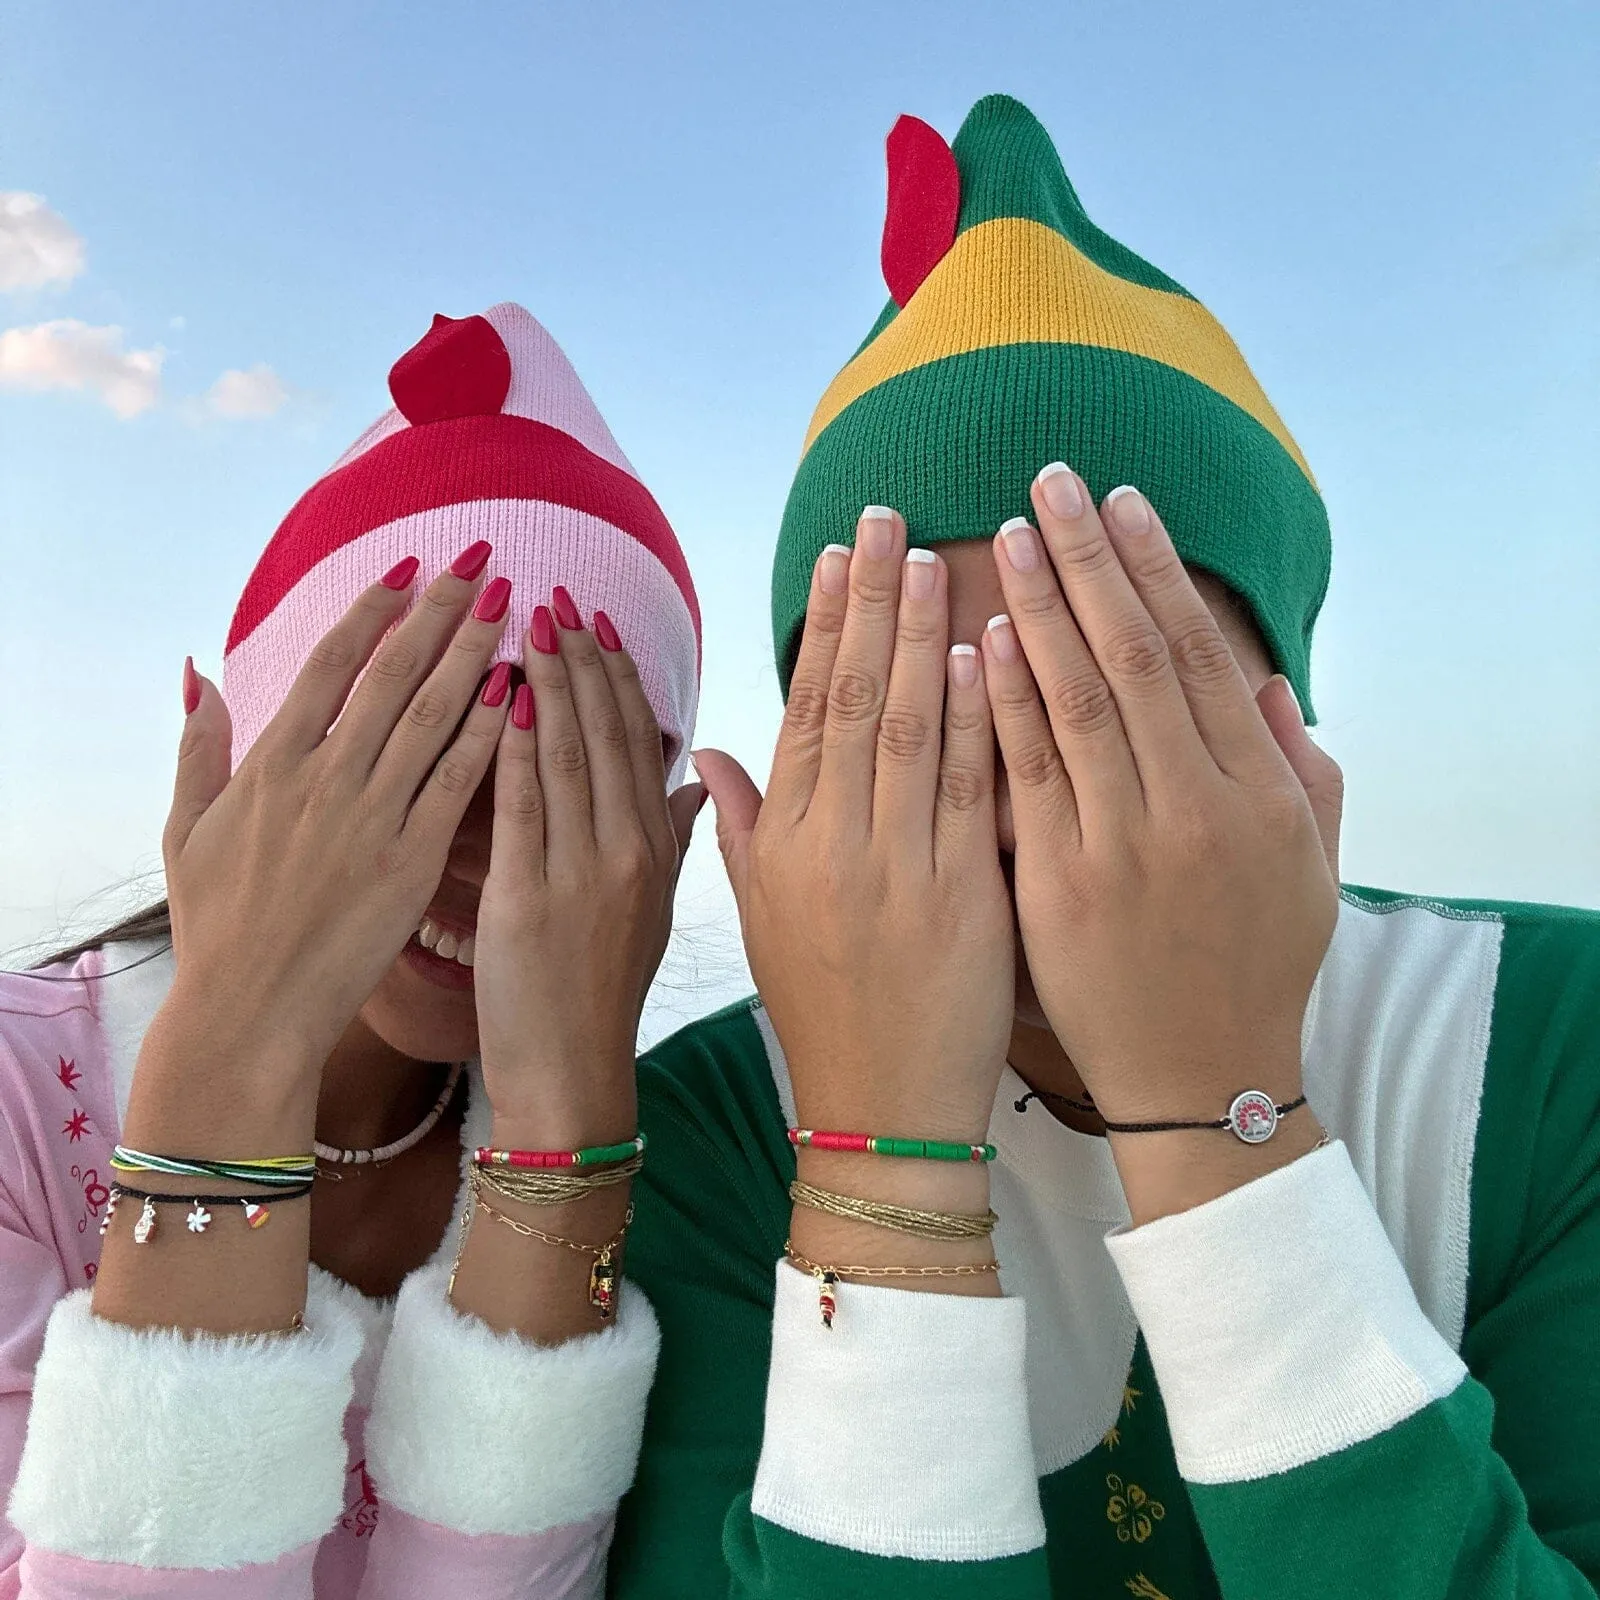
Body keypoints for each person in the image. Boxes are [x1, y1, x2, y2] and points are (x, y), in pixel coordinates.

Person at [600, 97, 1600, 1596]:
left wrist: (1219, 1118)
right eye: (915, 702)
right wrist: (881, 1169)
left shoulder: (1550, 1050)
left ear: (1287, 733)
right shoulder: (714, 1137)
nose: (1011, 793)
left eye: (1104, 678)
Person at [0, 302, 703, 1595]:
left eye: (565, 771)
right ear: (244, 753)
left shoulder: (659, 1165)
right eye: (416, 749)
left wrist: (564, 1132)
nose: (478, 846)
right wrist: (228, 1068)